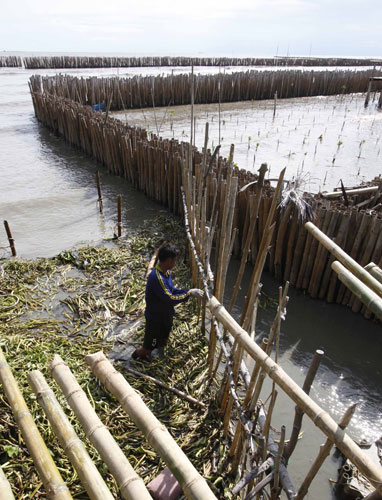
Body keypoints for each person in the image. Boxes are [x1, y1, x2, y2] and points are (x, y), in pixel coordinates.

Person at [132, 243, 204, 361]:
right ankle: (136, 356)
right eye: (175, 260)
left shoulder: (166, 272)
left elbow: (172, 290)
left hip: (165, 315)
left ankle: (159, 356)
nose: (175, 263)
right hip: (155, 318)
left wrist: (186, 291)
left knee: (163, 340)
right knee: (149, 346)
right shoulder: (156, 277)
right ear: (169, 260)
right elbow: (169, 298)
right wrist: (189, 293)